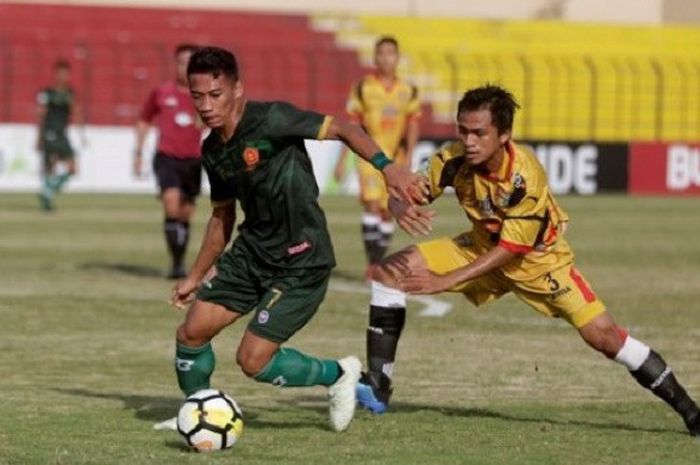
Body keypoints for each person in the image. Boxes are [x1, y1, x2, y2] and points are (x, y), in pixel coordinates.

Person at [356, 84, 700, 437]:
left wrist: (444, 280)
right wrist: (398, 203)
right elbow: (410, 189)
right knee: (388, 272)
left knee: (605, 337)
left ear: (504, 135)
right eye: (463, 130)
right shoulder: (453, 159)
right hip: (478, 247)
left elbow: (512, 248)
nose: (469, 140)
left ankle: (690, 412)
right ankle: (379, 388)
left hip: (539, 263)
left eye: (479, 133)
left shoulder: (525, 176)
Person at [157, 46, 425, 433]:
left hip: (302, 257)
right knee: (191, 332)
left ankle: (338, 375)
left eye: (215, 95)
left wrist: (387, 168)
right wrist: (195, 275)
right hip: (251, 253)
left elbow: (344, 128)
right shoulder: (213, 150)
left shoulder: (272, 119)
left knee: (252, 361)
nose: (206, 105)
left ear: (236, 90)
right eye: (197, 96)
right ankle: (196, 411)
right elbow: (222, 217)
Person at [334, 36, 421, 279]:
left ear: (397, 58)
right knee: (372, 206)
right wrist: (342, 159)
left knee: (386, 212)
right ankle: (372, 263)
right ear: (375, 57)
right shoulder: (363, 87)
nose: (386, 58)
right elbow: (352, 124)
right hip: (368, 156)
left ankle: (378, 260)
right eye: (381, 53)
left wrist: (409, 158)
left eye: (390, 53)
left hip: (396, 158)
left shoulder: (408, 90)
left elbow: (413, 124)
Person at [134, 43, 202, 279]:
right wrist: (138, 153)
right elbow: (144, 120)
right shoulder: (161, 93)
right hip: (166, 157)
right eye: (182, 62)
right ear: (176, 64)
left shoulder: (204, 96)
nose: (186, 68)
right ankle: (177, 264)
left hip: (194, 160)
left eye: (191, 63)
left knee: (185, 213)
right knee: (171, 203)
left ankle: (178, 260)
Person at [36, 59, 85, 211]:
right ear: (56, 74)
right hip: (49, 132)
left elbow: (76, 112)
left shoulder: (70, 94)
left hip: (62, 134)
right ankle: (48, 198)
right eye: (61, 74)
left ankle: (48, 190)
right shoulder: (47, 93)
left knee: (72, 168)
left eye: (66, 74)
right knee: (50, 166)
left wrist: (81, 133)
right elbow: (41, 115)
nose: (63, 77)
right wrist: (39, 137)